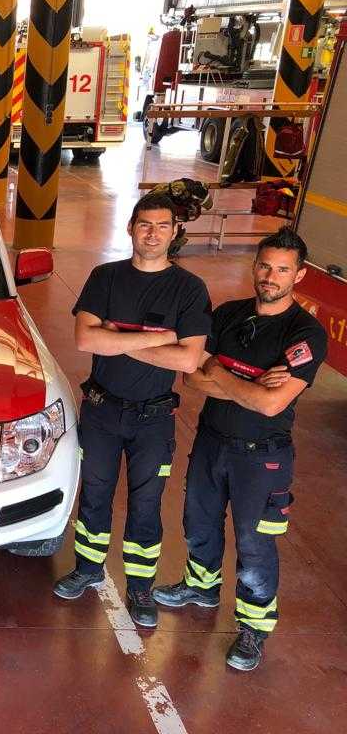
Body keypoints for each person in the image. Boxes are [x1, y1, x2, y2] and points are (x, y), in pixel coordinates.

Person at [153, 227, 326, 671]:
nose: (271, 276)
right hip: (212, 442)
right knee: (199, 522)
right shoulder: (228, 314)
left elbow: (271, 403)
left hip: (263, 457)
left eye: (283, 270)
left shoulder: (305, 333)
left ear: (299, 276)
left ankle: (253, 627)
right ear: (254, 267)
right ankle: (202, 587)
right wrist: (248, 382)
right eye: (265, 265)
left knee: (255, 545)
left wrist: (221, 373)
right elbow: (192, 378)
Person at [52, 195, 211, 628]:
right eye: (144, 224)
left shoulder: (189, 289)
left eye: (162, 225)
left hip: (154, 419)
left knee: (146, 503)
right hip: (102, 411)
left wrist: (116, 335)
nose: (153, 233)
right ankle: (87, 568)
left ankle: (140, 585)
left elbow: (188, 361)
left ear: (175, 231)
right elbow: (86, 341)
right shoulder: (105, 278)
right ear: (130, 227)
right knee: (95, 494)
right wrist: (162, 338)